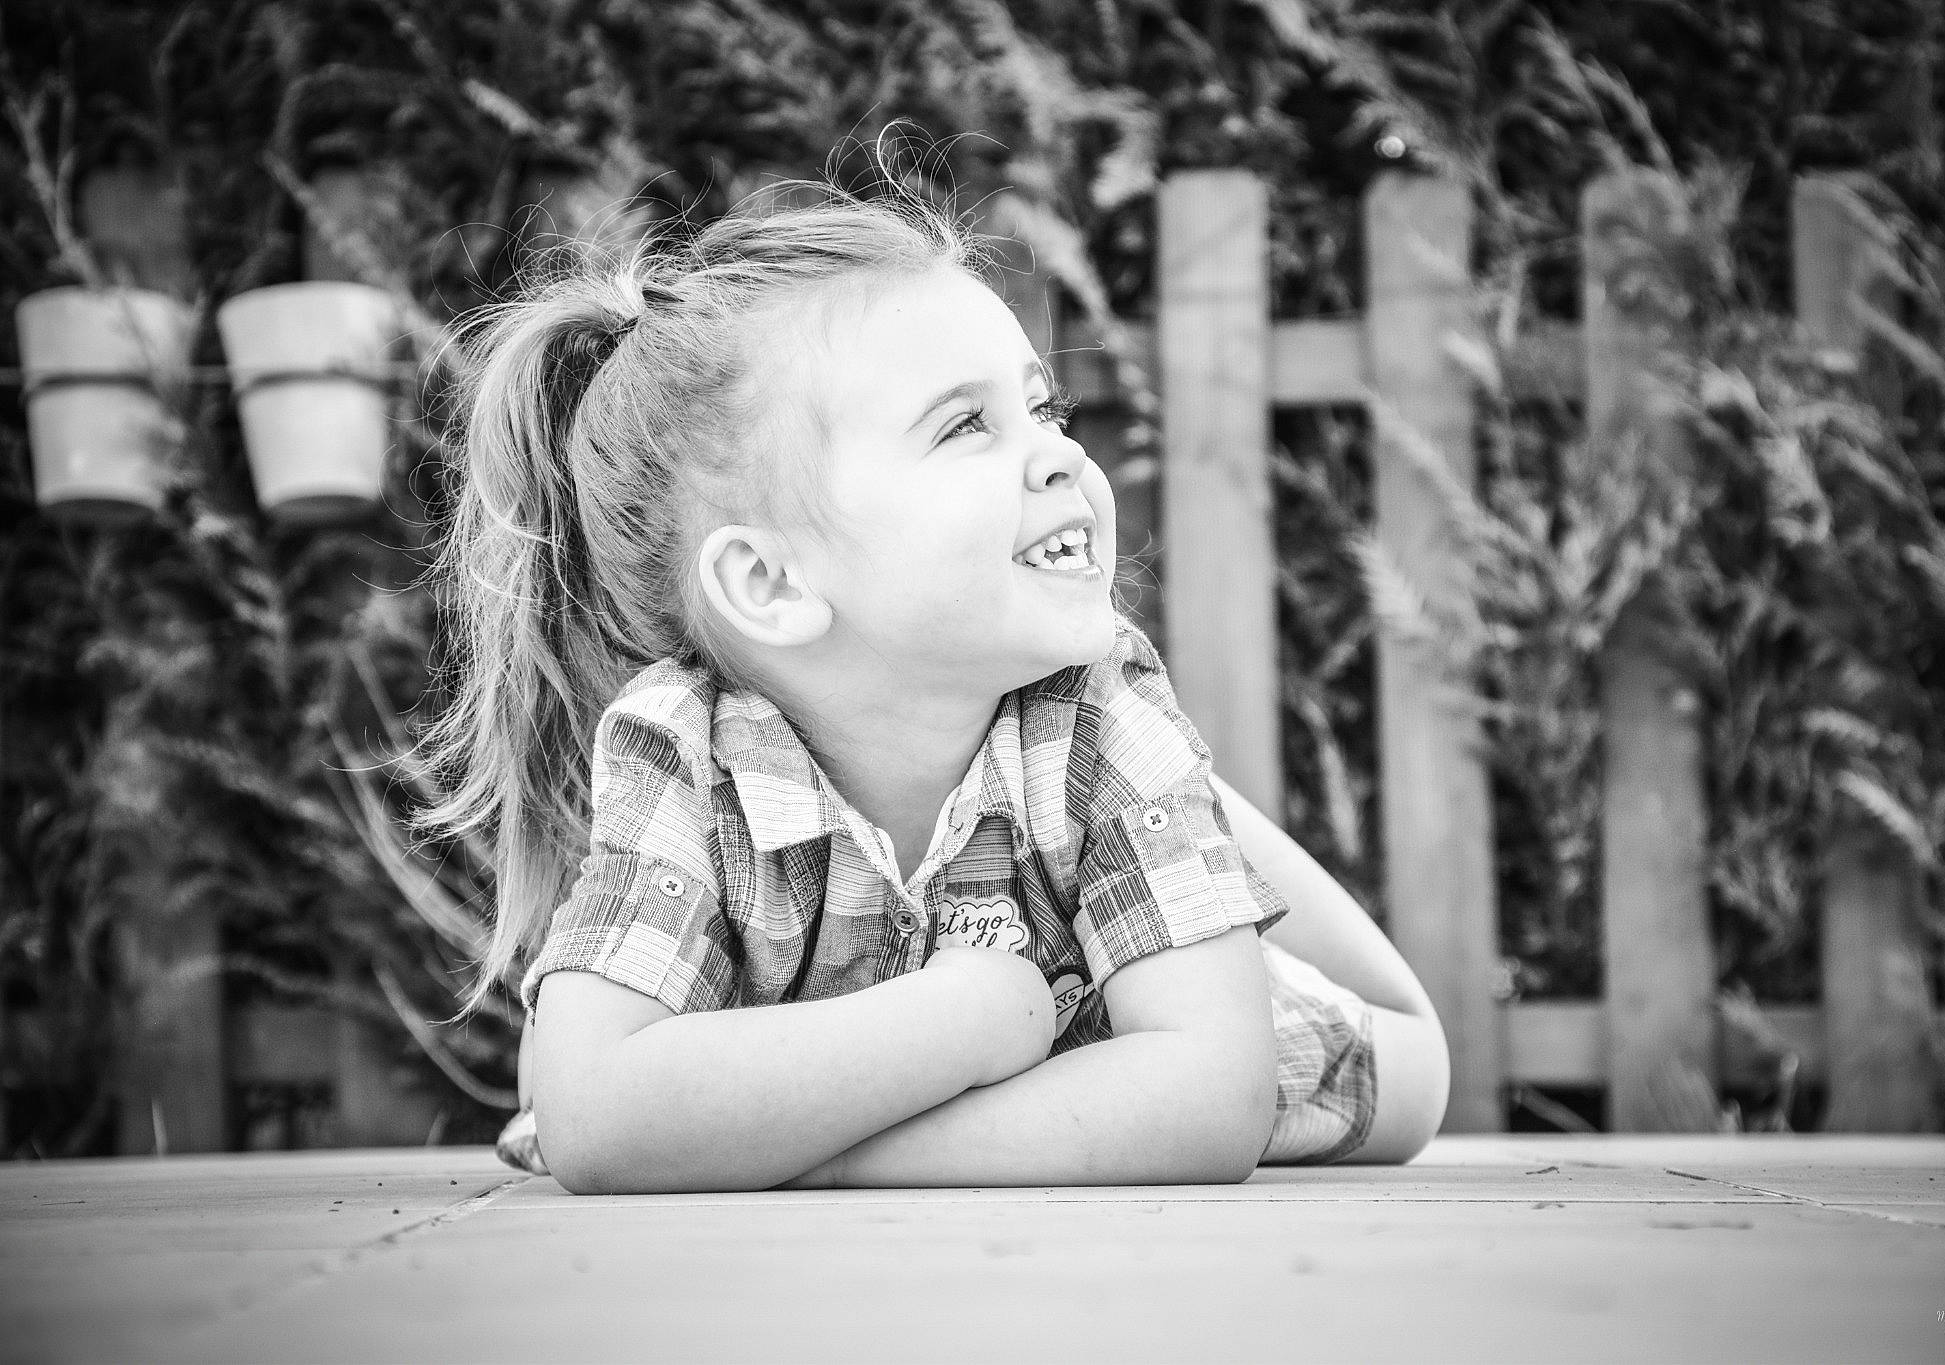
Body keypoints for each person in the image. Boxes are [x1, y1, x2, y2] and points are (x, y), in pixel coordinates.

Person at [421, 179, 1449, 1194]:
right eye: (966, 426)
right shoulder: (681, 747)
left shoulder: (1100, 708)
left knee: (1411, 1075)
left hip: (1142, 1011)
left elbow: (1211, 1097)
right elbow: (596, 1116)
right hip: (990, 1052)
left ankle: (1197, 818)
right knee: (551, 1058)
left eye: (1043, 408)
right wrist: (964, 1020)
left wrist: (814, 1157)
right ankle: (1187, 822)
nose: (1058, 455)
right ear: (770, 583)